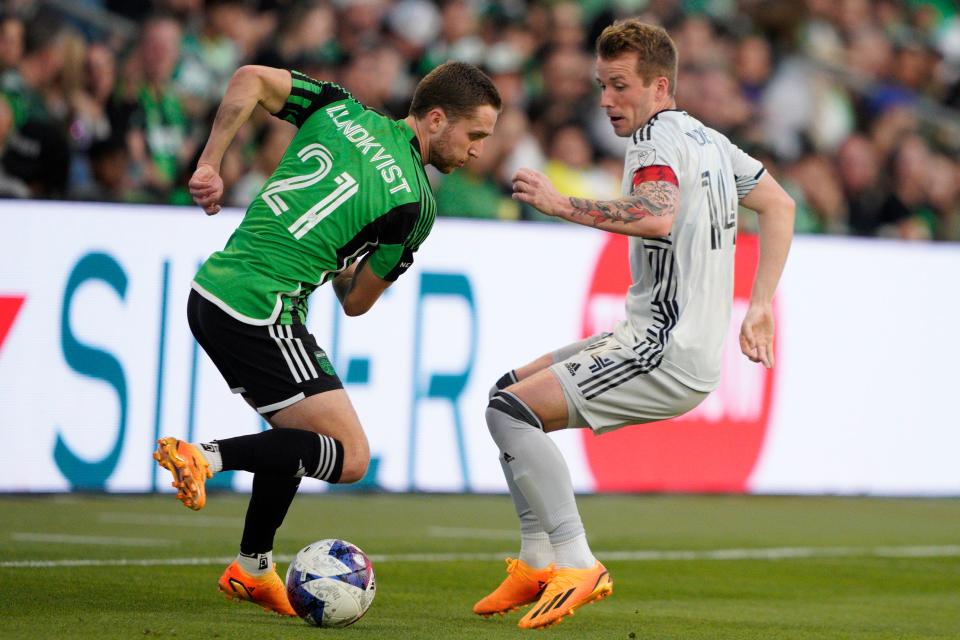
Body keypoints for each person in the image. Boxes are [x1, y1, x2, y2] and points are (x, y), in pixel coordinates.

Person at [473, 20, 794, 630]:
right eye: (602, 85)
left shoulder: (652, 140)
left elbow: (657, 217)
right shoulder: (709, 140)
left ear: (659, 86)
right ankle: (537, 560)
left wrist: (560, 203)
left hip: (662, 347)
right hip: (658, 336)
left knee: (509, 414)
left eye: (620, 85)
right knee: (505, 395)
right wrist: (759, 305)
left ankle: (576, 561)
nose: (605, 100)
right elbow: (780, 204)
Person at [153, 61, 500, 616]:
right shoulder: (416, 206)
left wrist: (211, 164)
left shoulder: (338, 107)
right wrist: (346, 255)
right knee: (351, 457)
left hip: (213, 291)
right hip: (262, 309)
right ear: (436, 120)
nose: (478, 150)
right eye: (475, 134)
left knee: (297, 437)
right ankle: (202, 458)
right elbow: (356, 301)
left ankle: (252, 566)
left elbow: (247, 78)